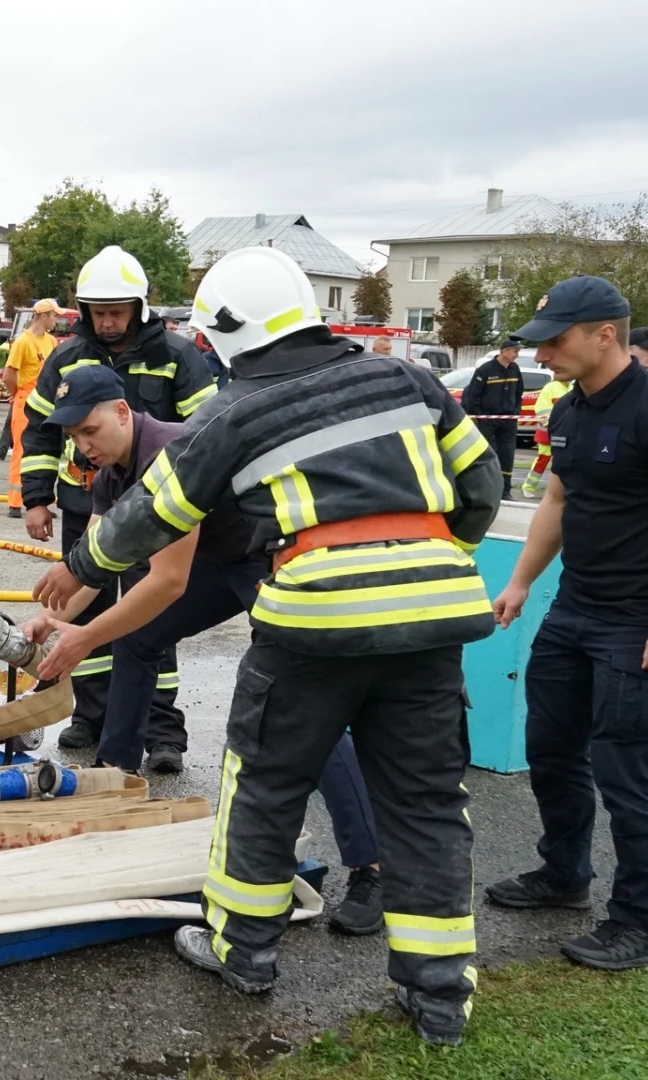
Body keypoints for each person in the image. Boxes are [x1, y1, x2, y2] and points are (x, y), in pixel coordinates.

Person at [34, 245, 502, 1046]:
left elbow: (150, 518)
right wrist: (415, 557)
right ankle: (438, 999)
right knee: (426, 804)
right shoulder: (409, 380)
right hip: (432, 623)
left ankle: (243, 952)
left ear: (224, 335)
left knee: (266, 783)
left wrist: (75, 573)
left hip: (313, 623)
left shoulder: (235, 410)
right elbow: (482, 486)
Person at [21, 363, 387, 936]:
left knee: (301, 700)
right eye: (73, 437)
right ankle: (116, 776)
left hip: (274, 557)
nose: (83, 445)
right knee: (139, 639)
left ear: (123, 412)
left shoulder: (171, 452)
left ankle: (372, 866)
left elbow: (166, 581)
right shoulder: (109, 472)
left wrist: (87, 636)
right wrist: (47, 619)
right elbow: (97, 562)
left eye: (90, 430)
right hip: (217, 560)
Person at [486, 276, 648, 973]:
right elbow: (559, 498)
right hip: (574, 613)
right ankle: (563, 877)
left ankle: (640, 926)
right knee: (553, 755)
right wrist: (523, 580)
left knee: (629, 781)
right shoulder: (568, 409)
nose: (544, 354)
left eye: (556, 340)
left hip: (640, 626)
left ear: (606, 335)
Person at [20, 245, 217, 753]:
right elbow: (39, 432)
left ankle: (162, 728)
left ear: (139, 306)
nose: (106, 322)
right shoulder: (67, 358)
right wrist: (36, 497)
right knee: (94, 610)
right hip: (94, 499)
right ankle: (95, 721)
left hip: (175, 508)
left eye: (116, 311)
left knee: (151, 612)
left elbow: (209, 433)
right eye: (97, 312)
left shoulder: (176, 356)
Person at [0, 299, 60, 515]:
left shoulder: (51, 341)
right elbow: (9, 375)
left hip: (45, 399)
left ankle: (41, 503)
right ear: (43, 316)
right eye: (54, 316)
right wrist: (18, 395)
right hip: (26, 399)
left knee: (46, 451)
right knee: (22, 451)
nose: (56, 320)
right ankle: (15, 502)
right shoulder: (23, 342)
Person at [461, 335, 526, 498]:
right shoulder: (485, 369)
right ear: (504, 351)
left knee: (507, 455)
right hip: (488, 420)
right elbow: (473, 394)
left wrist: (516, 409)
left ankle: (505, 491)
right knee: (488, 454)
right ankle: (486, 489)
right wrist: (478, 415)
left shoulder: (515, 369)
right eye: (515, 351)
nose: (517, 354)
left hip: (508, 420)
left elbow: (519, 392)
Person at [519, 373, 573, 497]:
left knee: (562, 462)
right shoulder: (550, 387)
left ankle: (557, 491)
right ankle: (528, 486)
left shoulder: (572, 389)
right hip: (548, 431)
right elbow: (541, 409)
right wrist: (552, 424)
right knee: (543, 460)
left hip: (564, 432)